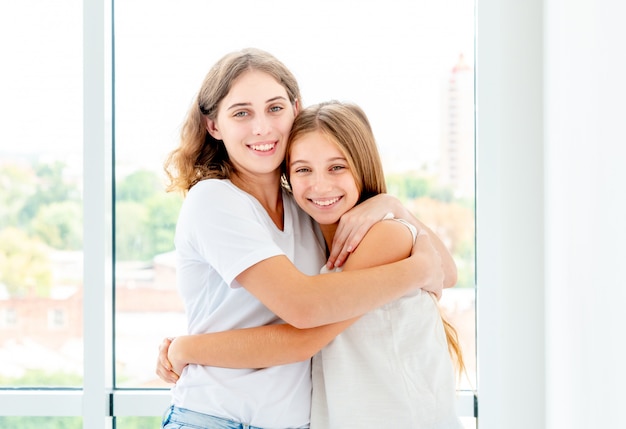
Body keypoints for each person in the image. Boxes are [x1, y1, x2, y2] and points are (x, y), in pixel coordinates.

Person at [159, 48, 457, 429]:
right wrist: (418, 269)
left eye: (275, 108)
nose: (262, 128)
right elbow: (305, 312)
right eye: (241, 113)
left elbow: (446, 273)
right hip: (217, 418)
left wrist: (391, 204)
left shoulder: (306, 207)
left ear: (295, 110)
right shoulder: (214, 200)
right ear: (214, 126)